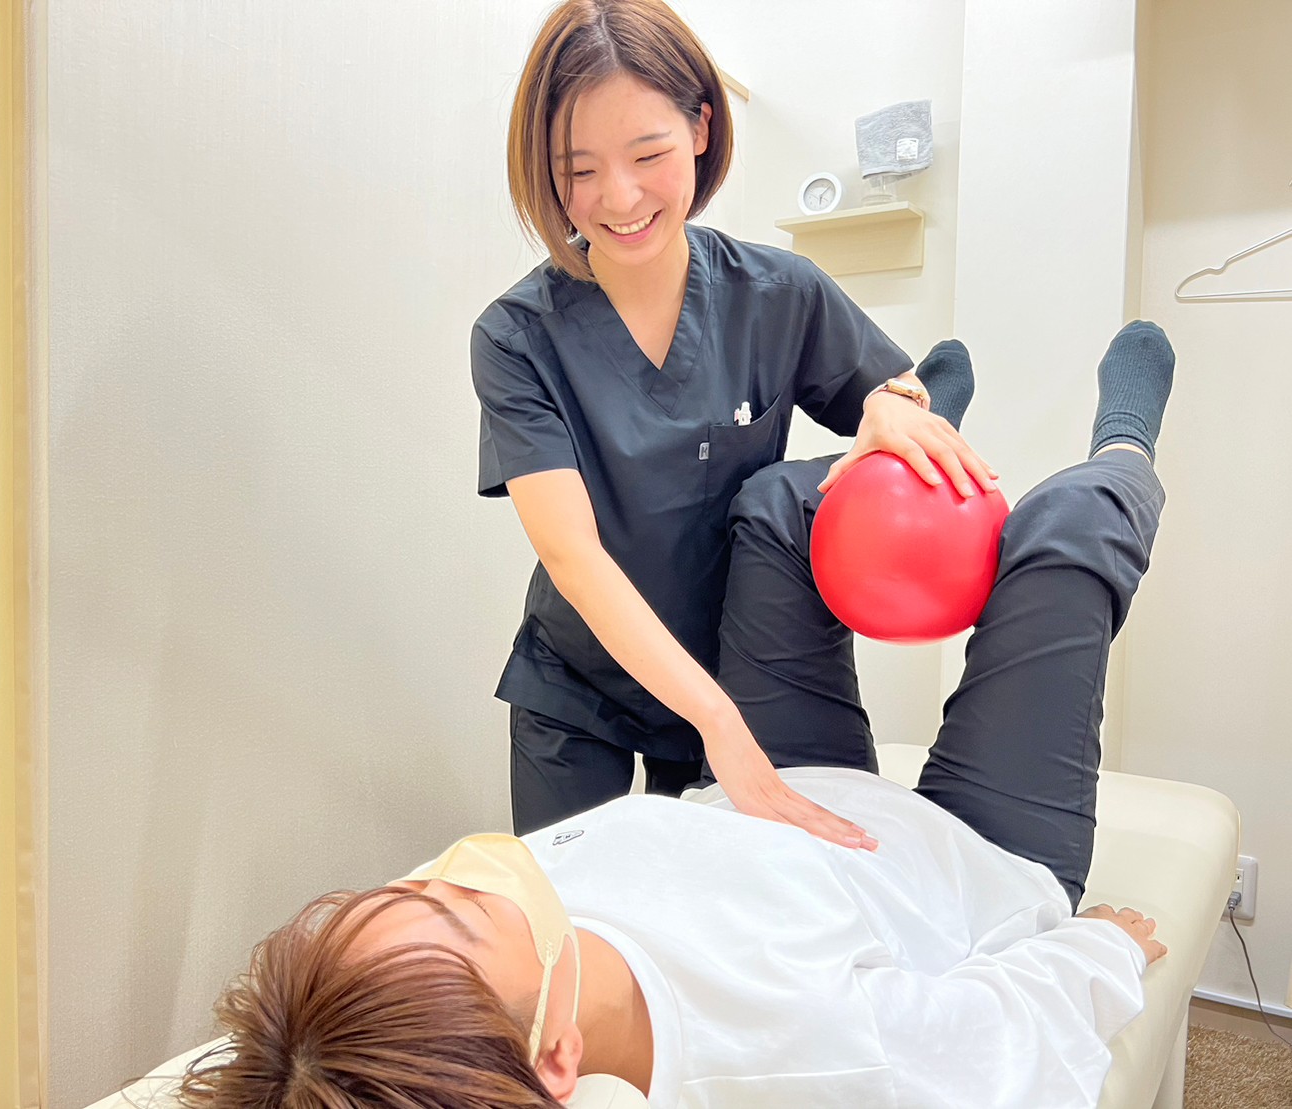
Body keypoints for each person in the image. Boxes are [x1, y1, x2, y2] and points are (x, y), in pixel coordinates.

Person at [180, 325, 1177, 1108]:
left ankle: (914, 438)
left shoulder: (495, 966)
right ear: (558, 1053)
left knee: (779, 508)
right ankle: (1126, 436)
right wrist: (1107, 948)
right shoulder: (802, 1048)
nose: (469, 863)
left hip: (780, 789)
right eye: (464, 901)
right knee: (1069, 523)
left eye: (408, 883)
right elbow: (996, 1044)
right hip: (976, 855)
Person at [472, 0, 997, 837]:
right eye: (578, 170)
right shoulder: (516, 337)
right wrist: (717, 722)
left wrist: (889, 408)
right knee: (577, 927)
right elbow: (571, 555)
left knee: (731, 933)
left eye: (649, 153)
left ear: (702, 129)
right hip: (579, 692)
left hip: (736, 668)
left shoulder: (779, 294)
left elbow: (893, 390)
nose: (619, 196)